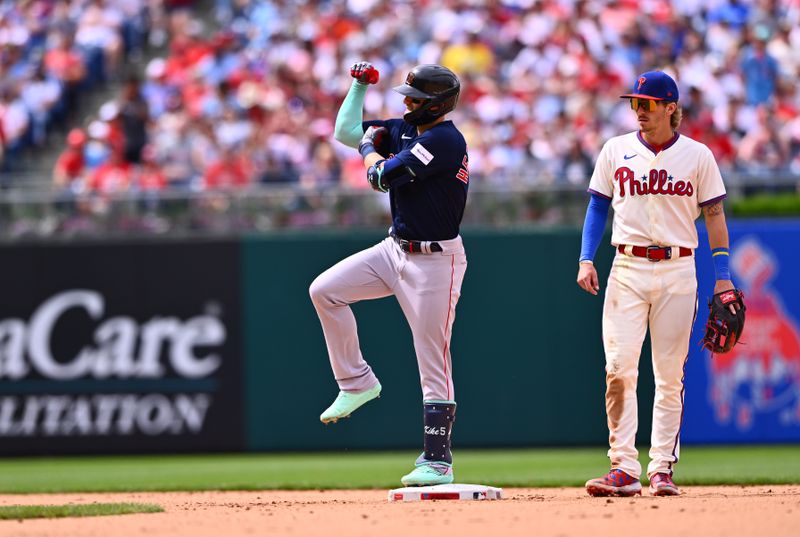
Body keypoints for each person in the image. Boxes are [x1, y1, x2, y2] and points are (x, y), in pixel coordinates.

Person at [576, 71, 736, 497]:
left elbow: (715, 218)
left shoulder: (698, 156)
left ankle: (662, 466)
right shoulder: (616, 149)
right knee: (618, 370)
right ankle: (624, 467)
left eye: (647, 104)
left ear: (671, 108)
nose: (639, 112)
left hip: (678, 270)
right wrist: (586, 258)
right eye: (635, 104)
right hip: (626, 268)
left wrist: (722, 278)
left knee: (669, 376)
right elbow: (597, 207)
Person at [309, 62, 469, 487]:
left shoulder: (444, 140)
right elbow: (345, 131)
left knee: (431, 358)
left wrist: (369, 147)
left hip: (436, 262)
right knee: (324, 291)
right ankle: (357, 382)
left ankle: (438, 461)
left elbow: (380, 176)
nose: (406, 101)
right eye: (407, 95)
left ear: (437, 104)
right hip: (394, 249)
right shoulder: (407, 128)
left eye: (415, 98)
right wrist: (358, 87)